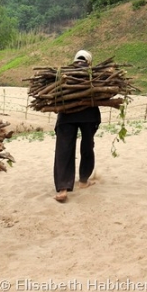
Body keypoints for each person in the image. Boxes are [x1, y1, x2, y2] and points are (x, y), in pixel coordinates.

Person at [53, 50, 101, 203]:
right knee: (87, 146)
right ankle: (83, 180)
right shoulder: (94, 74)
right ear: (89, 61)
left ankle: (63, 188)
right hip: (88, 115)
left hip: (66, 115)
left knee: (64, 150)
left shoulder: (63, 74)